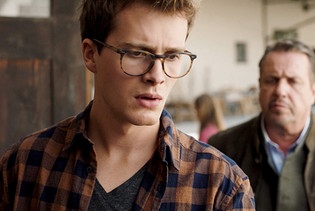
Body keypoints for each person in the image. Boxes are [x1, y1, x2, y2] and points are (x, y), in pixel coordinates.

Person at [0, 0, 256, 210]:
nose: (157, 75)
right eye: (136, 53)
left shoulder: (220, 186)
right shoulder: (25, 165)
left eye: (172, 56)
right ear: (90, 54)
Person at [208, 39, 315, 211]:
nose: (281, 91)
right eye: (272, 80)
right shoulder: (221, 150)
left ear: (313, 92)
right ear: (259, 87)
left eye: (293, 81)